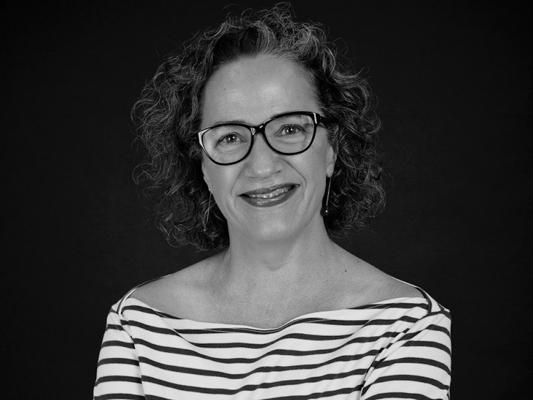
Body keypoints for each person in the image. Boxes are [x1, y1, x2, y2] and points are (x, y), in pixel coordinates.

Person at [93, 4, 451, 399]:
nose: (262, 165)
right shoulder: (138, 324)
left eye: (290, 129)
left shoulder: (406, 324)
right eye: (230, 137)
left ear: (332, 150)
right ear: (204, 168)